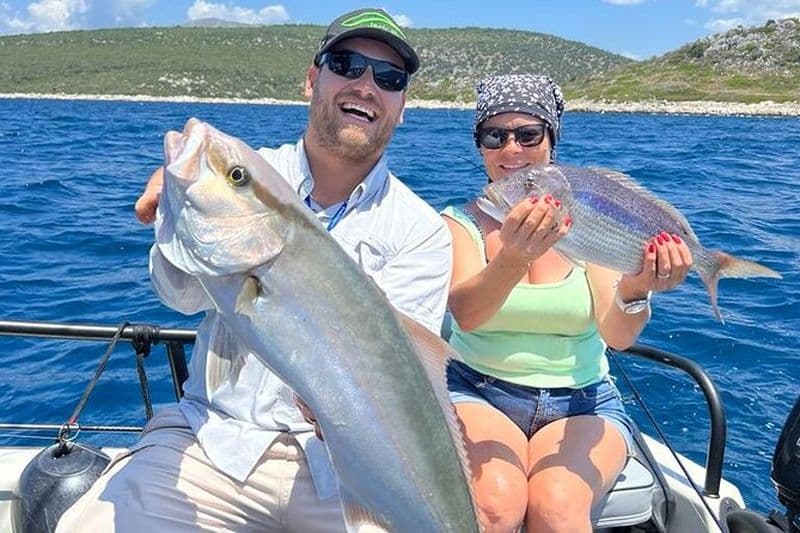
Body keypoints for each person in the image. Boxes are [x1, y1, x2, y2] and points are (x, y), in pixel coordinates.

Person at [56, 8, 452, 533]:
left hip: (349, 470)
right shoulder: (253, 168)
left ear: (402, 107)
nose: (366, 85)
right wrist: (184, 201)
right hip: (214, 442)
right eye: (346, 64)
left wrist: (336, 407)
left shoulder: (421, 231)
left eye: (389, 77)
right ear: (313, 79)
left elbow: (407, 379)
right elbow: (179, 295)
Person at [442, 74, 693, 533]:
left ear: (551, 142)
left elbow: (615, 337)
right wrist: (516, 257)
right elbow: (466, 314)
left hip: (584, 401)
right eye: (494, 135)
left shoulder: (586, 221)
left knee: (558, 509)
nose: (511, 149)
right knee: (494, 505)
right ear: (479, 146)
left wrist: (636, 289)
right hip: (478, 389)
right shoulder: (460, 223)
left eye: (528, 134)